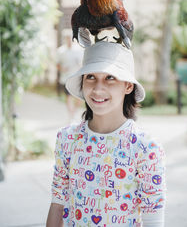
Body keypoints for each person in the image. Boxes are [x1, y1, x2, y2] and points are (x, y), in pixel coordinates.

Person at [47, 41, 166, 227]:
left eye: (110, 77)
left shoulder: (145, 147)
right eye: (91, 77)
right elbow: (57, 202)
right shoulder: (67, 139)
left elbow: (153, 216)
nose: (98, 88)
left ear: (127, 86)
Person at [56, 29, 83, 117]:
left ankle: (74, 111)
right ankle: (71, 114)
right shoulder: (61, 51)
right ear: (65, 39)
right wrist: (62, 69)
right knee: (68, 97)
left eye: (70, 38)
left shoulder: (79, 50)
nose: (69, 40)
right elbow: (57, 64)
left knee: (79, 97)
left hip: (76, 77)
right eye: (67, 38)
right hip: (66, 78)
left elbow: (82, 63)